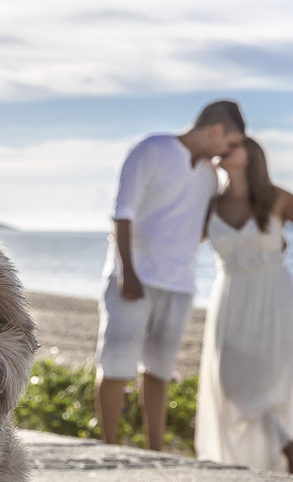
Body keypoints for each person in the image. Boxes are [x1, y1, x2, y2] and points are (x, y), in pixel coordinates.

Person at [95, 100, 246, 451]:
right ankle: (108, 446)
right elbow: (122, 213)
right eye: (230, 142)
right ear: (216, 131)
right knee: (116, 366)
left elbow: (199, 228)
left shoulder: (210, 176)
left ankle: (155, 450)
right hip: (133, 279)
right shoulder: (150, 149)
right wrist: (128, 272)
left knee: (160, 371)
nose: (227, 151)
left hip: (179, 285)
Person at [195, 137, 293, 474]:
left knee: (265, 382)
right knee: (228, 379)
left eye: (235, 144)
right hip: (229, 296)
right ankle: (286, 446)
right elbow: (181, 240)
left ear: (252, 156)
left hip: (273, 295)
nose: (226, 147)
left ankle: (283, 450)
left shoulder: (275, 197)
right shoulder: (211, 205)